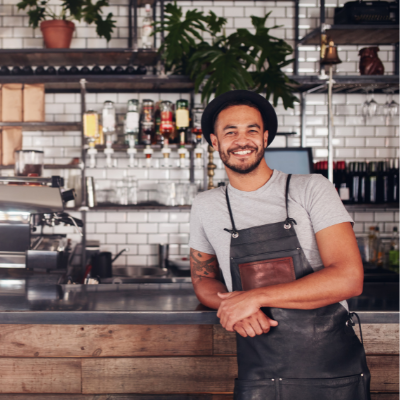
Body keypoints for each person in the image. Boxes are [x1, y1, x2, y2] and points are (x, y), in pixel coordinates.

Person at [189, 90, 371, 400]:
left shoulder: (312, 189)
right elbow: (203, 279)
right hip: (259, 375)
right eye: (230, 131)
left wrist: (252, 298)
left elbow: (349, 278)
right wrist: (232, 305)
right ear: (214, 142)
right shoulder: (206, 206)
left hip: (333, 373)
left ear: (266, 137)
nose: (242, 139)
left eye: (252, 130)